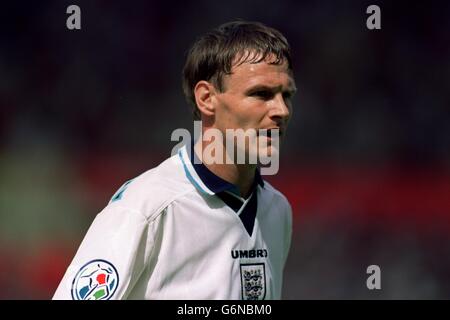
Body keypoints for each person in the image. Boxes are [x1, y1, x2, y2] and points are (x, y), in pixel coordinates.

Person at [53, 20, 296, 300]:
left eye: (286, 95)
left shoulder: (278, 211)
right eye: (261, 94)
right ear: (207, 98)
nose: (281, 110)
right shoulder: (148, 208)